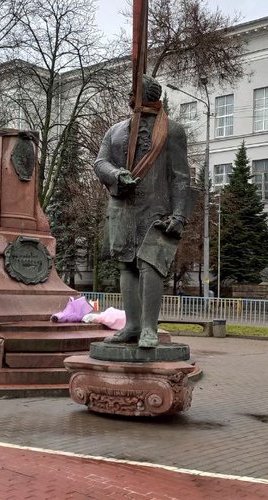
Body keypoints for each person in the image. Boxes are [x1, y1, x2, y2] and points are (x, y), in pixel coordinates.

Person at [94, 75, 193, 349]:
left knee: (151, 266)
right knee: (127, 265)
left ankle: (149, 327)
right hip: (123, 207)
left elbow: (181, 176)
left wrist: (180, 215)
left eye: (134, 93)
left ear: (145, 97)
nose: (130, 97)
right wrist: (117, 174)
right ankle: (133, 325)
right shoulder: (115, 131)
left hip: (157, 209)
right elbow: (100, 162)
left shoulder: (172, 131)